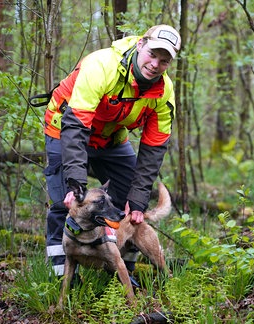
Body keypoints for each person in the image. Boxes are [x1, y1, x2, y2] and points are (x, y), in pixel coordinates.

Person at [42, 24, 181, 281]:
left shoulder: (163, 91)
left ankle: (122, 270)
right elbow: (76, 124)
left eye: (164, 61)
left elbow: (154, 145)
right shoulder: (101, 66)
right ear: (140, 45)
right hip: (66, 128)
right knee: (66, 201)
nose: (154, 64)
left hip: (110, 137)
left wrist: (139, 199)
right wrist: (76, 182)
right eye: (152, 54)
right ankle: (63, 276)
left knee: (132, 200)